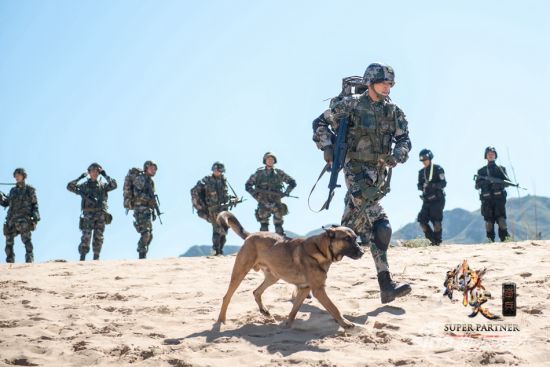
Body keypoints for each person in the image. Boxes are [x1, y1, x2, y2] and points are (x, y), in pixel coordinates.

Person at [312, 63, 412, 303]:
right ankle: (386, 283)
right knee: (381, 226)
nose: (387, 87)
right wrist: (327, 147)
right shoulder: (351, 105)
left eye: (390, 84)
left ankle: (309, 275)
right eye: (383, 83)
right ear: (370, 83)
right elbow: (319, 123)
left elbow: (405, 140)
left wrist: (398, 154)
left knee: (346, 233)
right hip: (355, 171)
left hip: (378, 177)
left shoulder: (394, 112)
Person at [67, 163, 117, 261]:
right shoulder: (84, 186)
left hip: (100, 214)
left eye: (97, 171)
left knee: (98, 237)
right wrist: (80, 177)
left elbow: (114, 185)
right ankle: (82, 258)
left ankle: (96, 258)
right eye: (92, 171)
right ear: (89, 172)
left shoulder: (103, 186)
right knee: (86, 236)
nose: (94, 173)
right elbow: (69, 186)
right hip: (88, 214)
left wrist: (105, 174)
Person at [245, 152, 296, 235]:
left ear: (274, 161)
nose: (270, 161)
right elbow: (248, 186)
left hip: (276, 202)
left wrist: (286, 192)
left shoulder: (279, 173)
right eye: (268, 159)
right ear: (265, 160)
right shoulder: (259, 173)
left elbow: (292, 182)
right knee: (264, 228)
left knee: (279, 227)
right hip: (263, 203)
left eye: (272, 159)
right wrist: (256, 196)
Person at [191, 162, 235, 256]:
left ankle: (220, 250)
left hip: (223, 209)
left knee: (224, 230)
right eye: (215, 169)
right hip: (212, 209)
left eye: (219, 170)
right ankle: (215, 250)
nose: (217, 171)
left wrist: (231, 199)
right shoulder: (206, 180)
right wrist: (201, 206)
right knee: (216, 229)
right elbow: (194, 191)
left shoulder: (224, 180)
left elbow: (223, 195)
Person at [0, 168, 40, 263]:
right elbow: (6, 203)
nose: (17, 177)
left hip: (24, 220)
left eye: (19, 175)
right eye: (15, 175)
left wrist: (35, 218)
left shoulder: (29, 189)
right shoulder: (13, 190)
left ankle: (29, 260)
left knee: (26, 240)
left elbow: (35, 204)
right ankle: (10, 261)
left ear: (24, 176)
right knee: (8, 243)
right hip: (11, 220)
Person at [475, 147, 511, 242]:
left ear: (495, 155)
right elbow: (477, 186)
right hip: (487, 200)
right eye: (489, 153)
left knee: (502, 221)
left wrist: (498, 183)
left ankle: (505, 240)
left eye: (492, 153)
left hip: (499, 199)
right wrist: (485, 182)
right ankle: (490, 241)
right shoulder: (481, 171)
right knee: (489, 223)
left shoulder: (501, 169)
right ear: (486, 156)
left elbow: (508, 183)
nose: (491, 155)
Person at [127, 160, 159, 259]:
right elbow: (137, 194)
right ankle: (141, 255)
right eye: (152, 168)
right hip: (140, 209)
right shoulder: (141, 178)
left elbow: (151, 196)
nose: (154, 170)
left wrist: (153, 208)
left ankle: (143, 254)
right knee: (145, 234)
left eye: (155, 169)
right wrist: (148, 200)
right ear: (146, 168)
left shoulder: (151, 182)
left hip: (147, 210)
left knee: (150, 235)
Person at [416, 149, 446, 245]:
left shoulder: (438, 169)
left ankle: (437, 241)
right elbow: (419, 185)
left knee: (436, 221)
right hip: (427, 200)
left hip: (438, 199)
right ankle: (431, 239)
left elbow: (443, 183)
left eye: (426, 159)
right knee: (421, 221)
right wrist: (423, 186)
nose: (424, 162)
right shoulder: (421, 172)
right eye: (422, 160)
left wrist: (432, 185)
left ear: (430, 158)